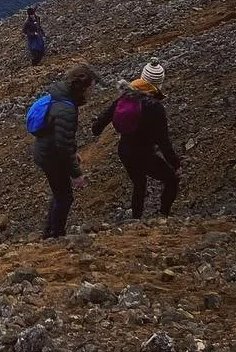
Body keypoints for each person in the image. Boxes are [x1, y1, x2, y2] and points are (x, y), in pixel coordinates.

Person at [91, 59, 181, 221]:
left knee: (139, 184)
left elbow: (99, 125)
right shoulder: (155, 107)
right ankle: (163, 217)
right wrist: (175, 164)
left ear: (142, 77)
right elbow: (163, 141)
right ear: (159, 83)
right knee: (172, 180)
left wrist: (96, 128)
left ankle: (135, 220)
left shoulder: (125, 97)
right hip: (144, 154)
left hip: (124, 151)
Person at [30, 63, 97, 239]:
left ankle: (49, 232)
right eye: (92, 87)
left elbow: (62, 136)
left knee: (59, 193)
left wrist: (73, 152)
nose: (93, 91)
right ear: (82, 87)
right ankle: (56, 235)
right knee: (65, 197)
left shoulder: (62, 98)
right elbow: (63, 144)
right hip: (51, 156)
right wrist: (77, 174)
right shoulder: (66, 108)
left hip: (46, 151)